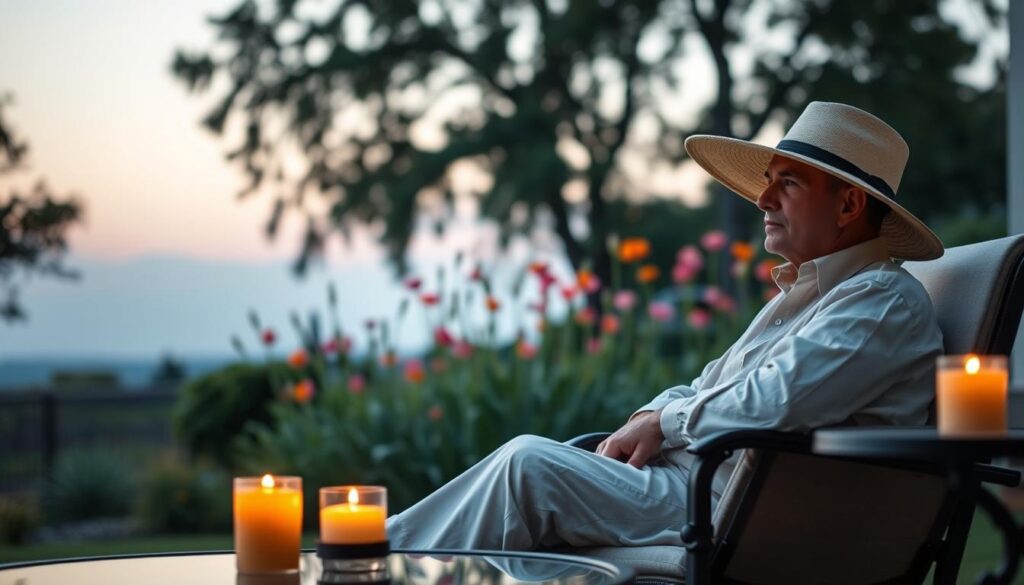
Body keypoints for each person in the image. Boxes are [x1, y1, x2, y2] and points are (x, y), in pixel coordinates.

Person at [386, 101, 944, 552]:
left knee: (529, 466)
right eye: (769, 182)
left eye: (789, 184)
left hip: (735, 510)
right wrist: (651, 417)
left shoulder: (881, 301)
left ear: (848, 204)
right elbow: (712, 386)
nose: (764, 199)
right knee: (530, 466)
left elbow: (773, 405)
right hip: (694, 487)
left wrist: (667, 422)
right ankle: (374, 555)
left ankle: (366, 560)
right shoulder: (812, 296)